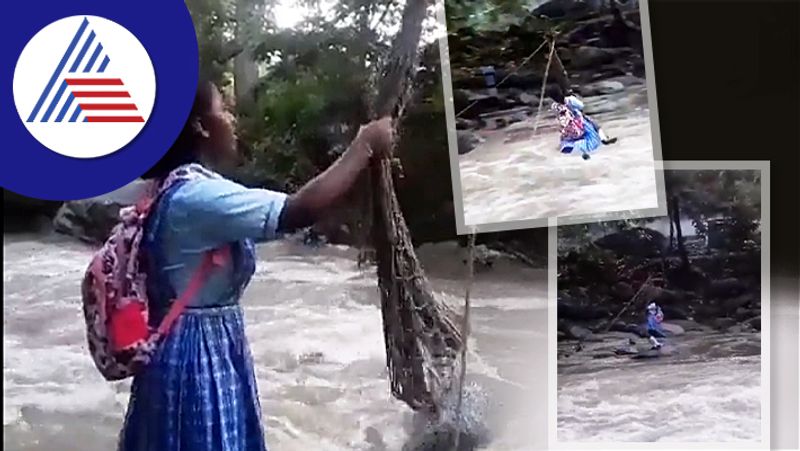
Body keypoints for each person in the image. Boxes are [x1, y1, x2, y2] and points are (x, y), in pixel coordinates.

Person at [118, 81, 393, 451]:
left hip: (181, 348)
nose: (232, 120)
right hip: (197, 360)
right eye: (224, 109)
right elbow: (296, 211)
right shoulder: (196, 197)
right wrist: (363, 146)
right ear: (201, 125)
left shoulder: (169, 189)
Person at [546, 85, 617, 160]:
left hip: (567, 129)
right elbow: (581, 106)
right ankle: (603, 139)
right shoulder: (570, 100)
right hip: (579, 125)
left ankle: (581, 153)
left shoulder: (554, 106)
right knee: (595, 125)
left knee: (567, 142)